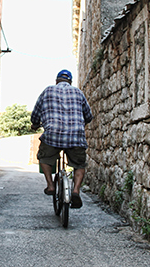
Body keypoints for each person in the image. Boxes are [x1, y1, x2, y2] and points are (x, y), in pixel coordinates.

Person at [31, 69, 93, 209]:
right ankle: (76, 190)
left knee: (44, 158)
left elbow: (36, 112)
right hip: (76, 136)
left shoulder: (47, 91)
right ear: (70, 82)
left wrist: (35, 124)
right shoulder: (78, 92)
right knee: (79, 165)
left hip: (53, 134)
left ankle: (50, 185)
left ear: (56, 80)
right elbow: (88, 116)